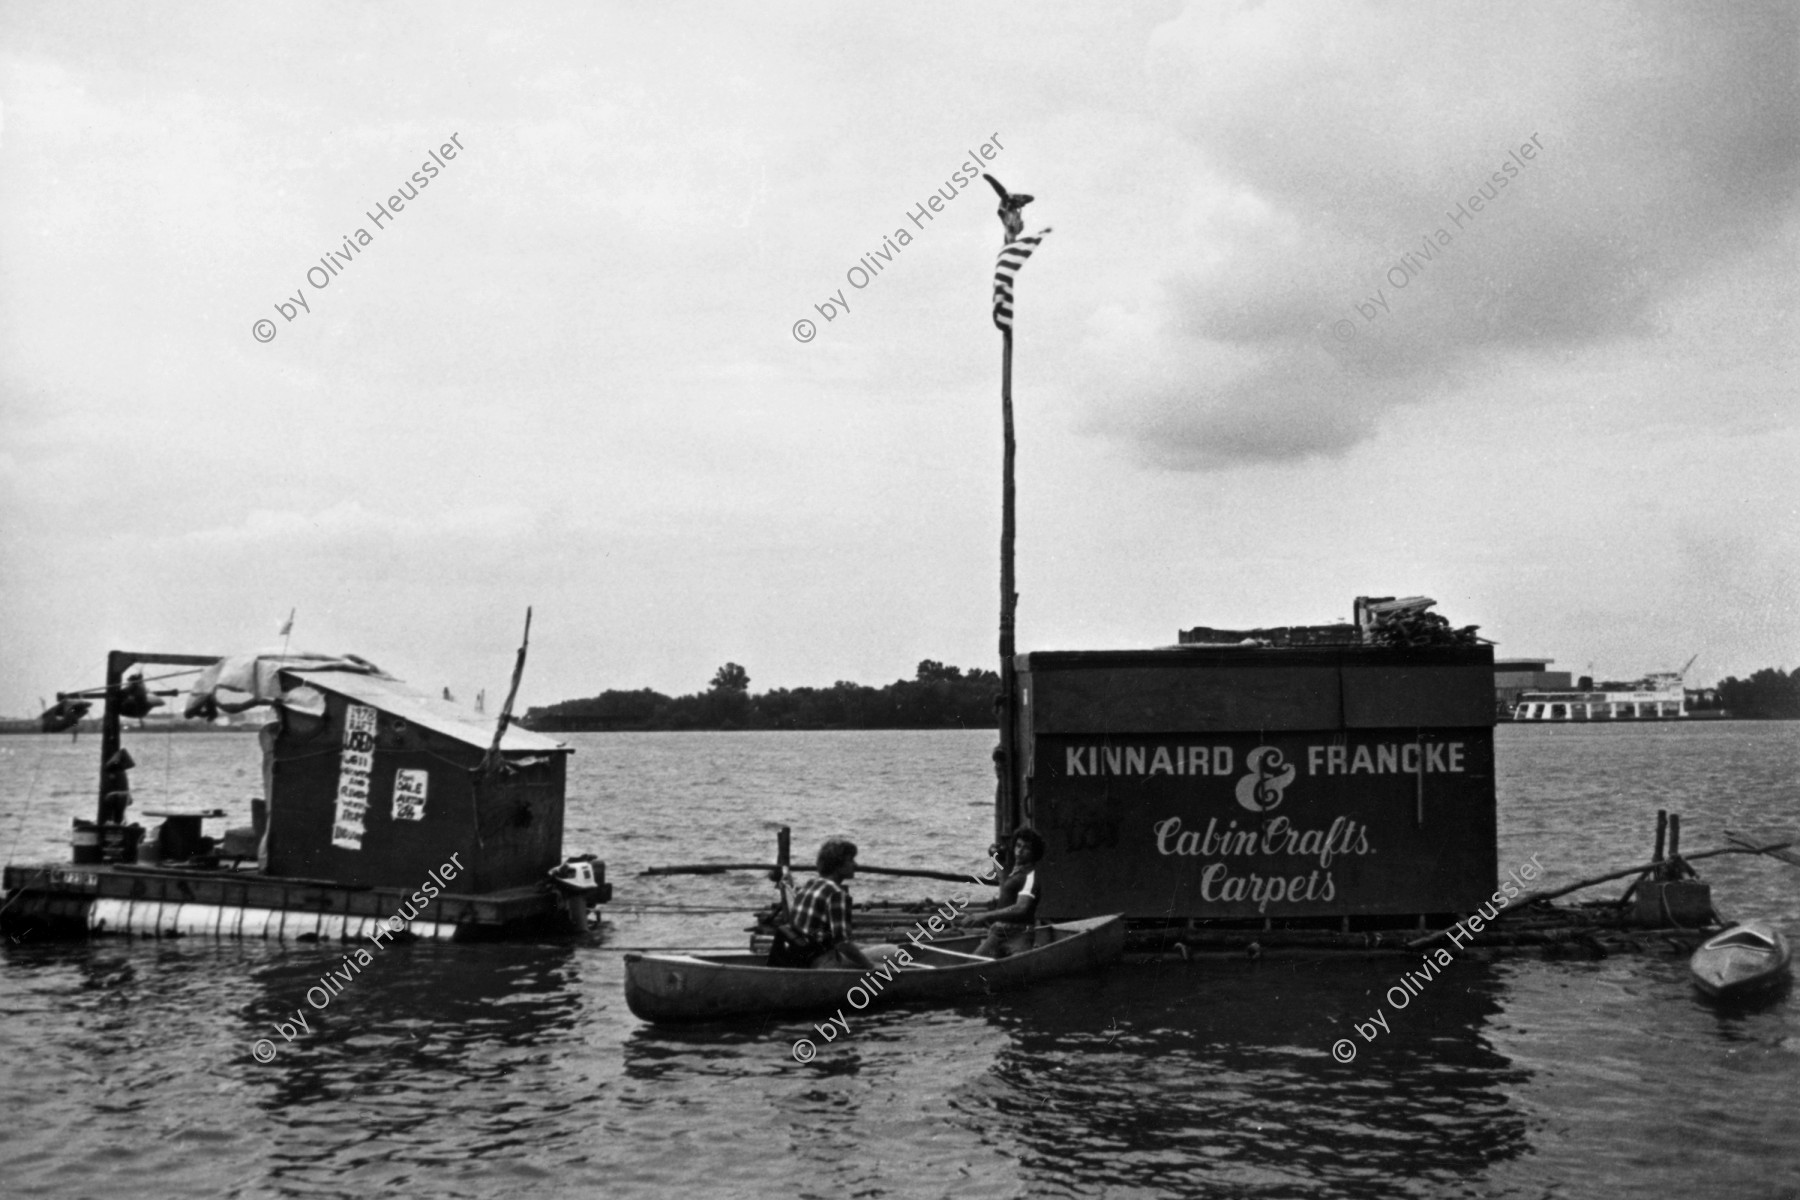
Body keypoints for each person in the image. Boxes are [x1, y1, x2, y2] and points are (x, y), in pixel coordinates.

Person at [769, 838, 877, 970]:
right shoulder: (837, 894)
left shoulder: (812, 883)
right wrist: (871, 966)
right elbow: (843, 943)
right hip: (823, 963)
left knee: (870, 950)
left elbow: (826, 936)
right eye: (851, 860)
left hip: (803, 955)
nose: (856, 865)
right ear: (838, 866)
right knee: (892, 952)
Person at [961, 828, 1045, 958]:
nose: (1020, 851)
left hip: (1020, 934)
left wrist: (984, 916)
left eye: (1026, 848)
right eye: (1018, 846)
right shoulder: (1015, 872)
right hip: (999, 932)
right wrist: (996, 859)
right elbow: (1004, 883)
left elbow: (1021, 908)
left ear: (1034, 853)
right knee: (975, 963)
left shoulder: (1030, 877)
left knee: (1019, 969)